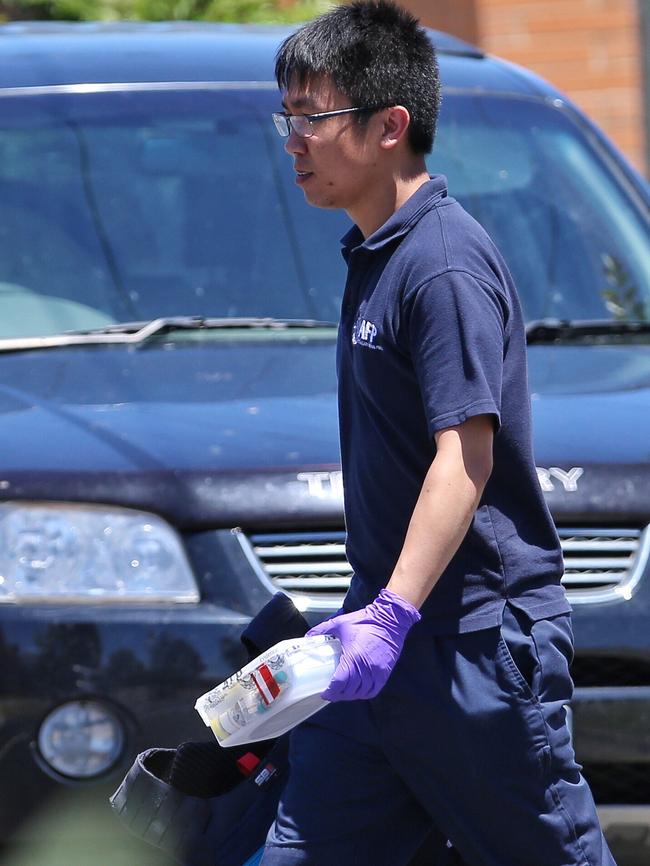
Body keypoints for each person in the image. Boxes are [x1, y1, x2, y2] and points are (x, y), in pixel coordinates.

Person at [262, 2, 616, 864]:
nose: (293, 140)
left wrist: (392, 613)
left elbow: (466, 453)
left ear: (390, 125)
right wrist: (367, 622)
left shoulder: (444, 264)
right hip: (381, 653)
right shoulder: (375, 253)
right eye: (288, 117)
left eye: (313, 117)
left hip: (475, 649)